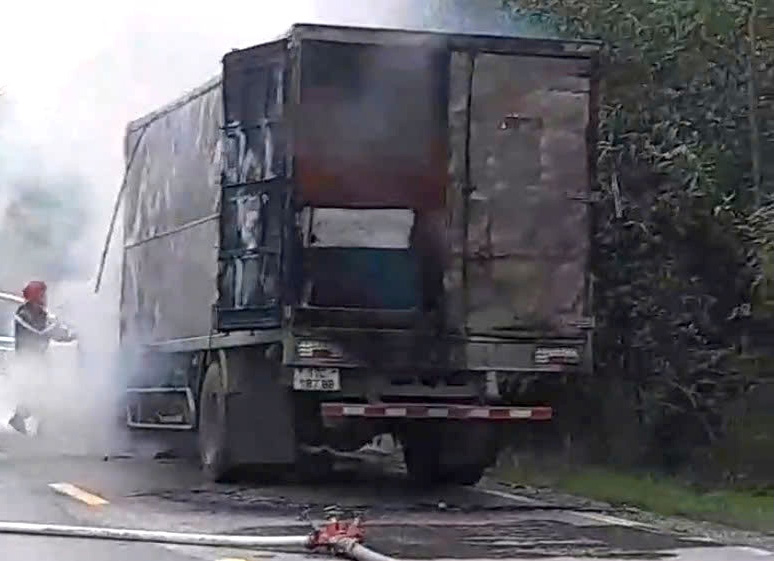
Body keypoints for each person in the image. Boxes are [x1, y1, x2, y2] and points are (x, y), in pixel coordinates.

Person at [7, 281, 76, 435]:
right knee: (36, 393)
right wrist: (55, 325)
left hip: (40, 359)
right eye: (43, 294)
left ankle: (30, 423)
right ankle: (28, 422)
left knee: (44, 393)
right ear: (36, 296)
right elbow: (39, 331)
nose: (45, 298)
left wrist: (71, 334)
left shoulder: (42, 314)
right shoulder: (23, 314)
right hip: (28, 360)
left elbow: (55, 333)